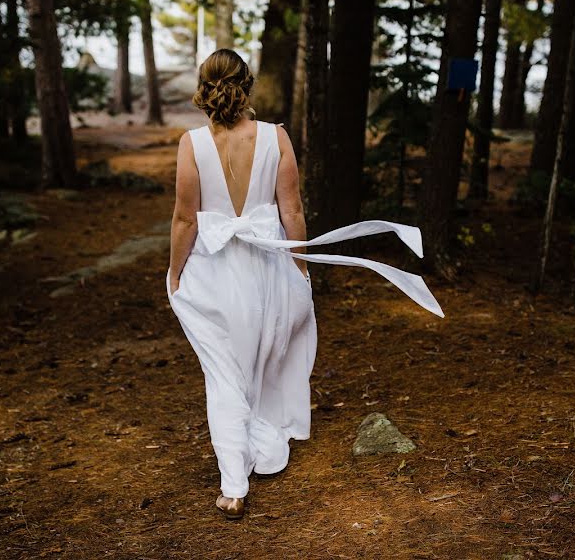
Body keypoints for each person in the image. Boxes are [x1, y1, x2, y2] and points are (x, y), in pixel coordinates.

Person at [166, 49, 444, 520]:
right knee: (261, 359)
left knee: (225, 371)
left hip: (214, 270)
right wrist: (298, 267)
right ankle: (255, 451)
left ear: (204, 85)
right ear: (247, 83)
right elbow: (291, 210)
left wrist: (175, 271)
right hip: (266, 266)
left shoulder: (192, 143)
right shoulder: (276, 138)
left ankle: (235, 484)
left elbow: (183, 218)